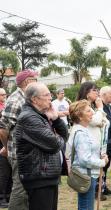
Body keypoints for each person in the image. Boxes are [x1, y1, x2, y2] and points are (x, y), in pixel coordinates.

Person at [15, 83, 68, 210]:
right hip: (39, 178)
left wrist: (55, 119)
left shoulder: (40, 115)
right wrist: (59, 140)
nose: (50, 98)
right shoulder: (29, 117)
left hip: (47, 176)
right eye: (47, 95)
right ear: (34, 99)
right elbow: (55, 144)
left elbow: (64, 136)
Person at [0, 69, 37, 210]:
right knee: (20, 190)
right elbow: (3, 129)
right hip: (17, 153)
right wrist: (7, 147)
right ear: (27, 82)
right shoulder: (16, 99)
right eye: (35, 80)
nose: (37, 83)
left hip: (26, 152)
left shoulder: (25, 98)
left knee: (25, 189)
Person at [68, 100, 108, 210]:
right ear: (80, 116)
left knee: (86, 206)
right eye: (88, 111)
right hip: (86, 176)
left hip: (88, 174)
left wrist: (98, 155)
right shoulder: (81, 133)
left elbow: (87, 153)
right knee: (86, 207)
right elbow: (84, 160)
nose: (92, 113)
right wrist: (102, 162)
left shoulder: (82, 130)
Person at [76, 82, 109, 201]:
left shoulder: (92, 107)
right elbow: (95, 121)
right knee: (86, 196)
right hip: (88, 147)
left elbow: (103, 121)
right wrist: (100, 108)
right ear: (87, 92)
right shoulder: (83, 106)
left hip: (95, 146)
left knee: (91, 187)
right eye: (95, 90)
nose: (97, 92)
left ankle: (98, 190)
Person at [99, 86, 111, 197]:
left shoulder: (107, 106)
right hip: (103, 142)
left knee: (106, 165)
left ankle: (104, 186)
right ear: (104, 94)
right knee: (101, 166)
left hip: (109, 142)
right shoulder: (100, 106)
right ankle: (99, 189)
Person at [0, 88, 10, 208]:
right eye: (1, 95)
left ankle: (8, 194)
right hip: (1, 141)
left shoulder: (6, 106)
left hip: (7, 141)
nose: (4, 96)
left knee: (8, 169)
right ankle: (1, 197)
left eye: (5, 94)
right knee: (3, 171)